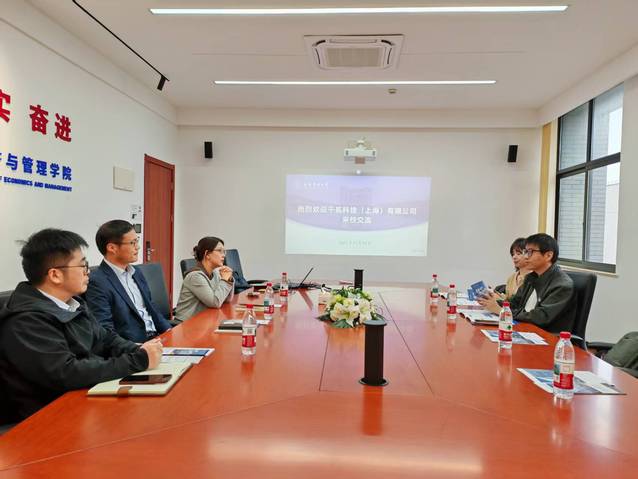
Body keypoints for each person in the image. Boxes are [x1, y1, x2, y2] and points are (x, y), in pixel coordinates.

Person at [0, 229, 162, 422]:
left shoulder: (73, 303)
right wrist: (138, 361)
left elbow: (105, 337)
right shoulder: (26, 321)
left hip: (84, 397)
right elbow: (67, 373)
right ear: (55, 275)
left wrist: (137, 349)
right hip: (47, 417)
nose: (88, 271)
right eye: (82, 265)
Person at [86, 220, 171, 342]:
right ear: (112, 248)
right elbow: (105, 330)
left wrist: (169, 332)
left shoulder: (136, 272)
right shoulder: (97, 282)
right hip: (133, 346)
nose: (138, 247)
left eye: (137, 241)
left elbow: (151, 307)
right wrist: (139, 349)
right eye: (132, 243)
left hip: (157, 337)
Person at [479, 233, 575, 334]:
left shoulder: (562, 285)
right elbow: (515, 304)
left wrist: (500, 311)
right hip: (524, 329)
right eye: (525, 252)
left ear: (548, 255)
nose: (525, 257)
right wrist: (492, 301)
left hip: (546, 336)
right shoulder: (531, 278)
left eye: (530, 252)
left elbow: (540, 317)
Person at [174, 237, 234, 322]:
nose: (223, 255)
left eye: (224, 251)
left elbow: (227, 299)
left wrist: (229, 279)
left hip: (204, 320)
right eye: (219, 251)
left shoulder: (216, 272)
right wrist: (224, 280)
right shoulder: (195, 276)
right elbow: (215, 303)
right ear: (207, 254)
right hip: (186, 324)